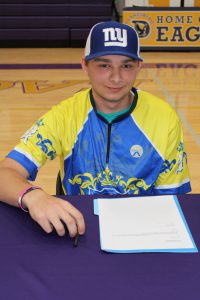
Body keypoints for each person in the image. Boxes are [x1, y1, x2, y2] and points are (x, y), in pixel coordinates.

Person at [0, 21, 191, 238]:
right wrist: (33, 196)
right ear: (85, 65)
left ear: (139, 66)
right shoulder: (65, 115)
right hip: (79, 228)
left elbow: (174, 200)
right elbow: (5, 173)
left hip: (142, 230)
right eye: (104, 65)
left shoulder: (164, 118)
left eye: (126, 66)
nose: (116, 77)